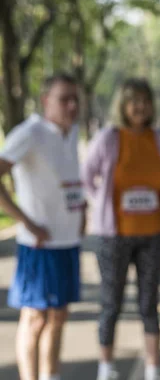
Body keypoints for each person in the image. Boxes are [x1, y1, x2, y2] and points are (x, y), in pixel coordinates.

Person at [82, 78, 160, 380]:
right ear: (123, 105)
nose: (140, 106)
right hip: (114, 236)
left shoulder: (159, 138)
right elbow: (87, 175)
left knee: (150, 303)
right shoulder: (109, 137)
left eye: (145, 100)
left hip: (152, 233)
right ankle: (106, 368)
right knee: (111, 303)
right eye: (133, 100)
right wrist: (101, 203)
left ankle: (153, 368)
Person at [0, 73, 84, 380]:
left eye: (75, 98)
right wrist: (27, 222)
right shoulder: (30, 132)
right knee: (35, 318)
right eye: (64, 99)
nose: (72, 105)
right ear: (46, 100)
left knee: (59, 316)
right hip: (39, 246)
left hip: (67, 241)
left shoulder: (72, 131)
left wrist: (82, 210)